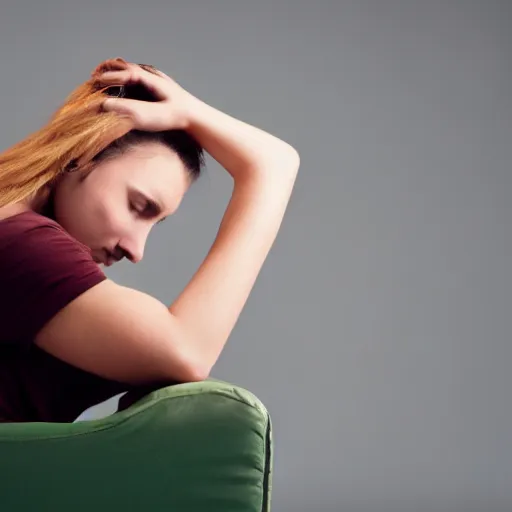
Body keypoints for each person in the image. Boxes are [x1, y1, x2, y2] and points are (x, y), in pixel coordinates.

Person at [0, 57, 300, 423]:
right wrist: (264, 168)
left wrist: (191, 114)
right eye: (139, 206)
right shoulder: (20, 243)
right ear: (88, 150)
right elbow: (187, 350)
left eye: (155, 223)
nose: (136, 250)